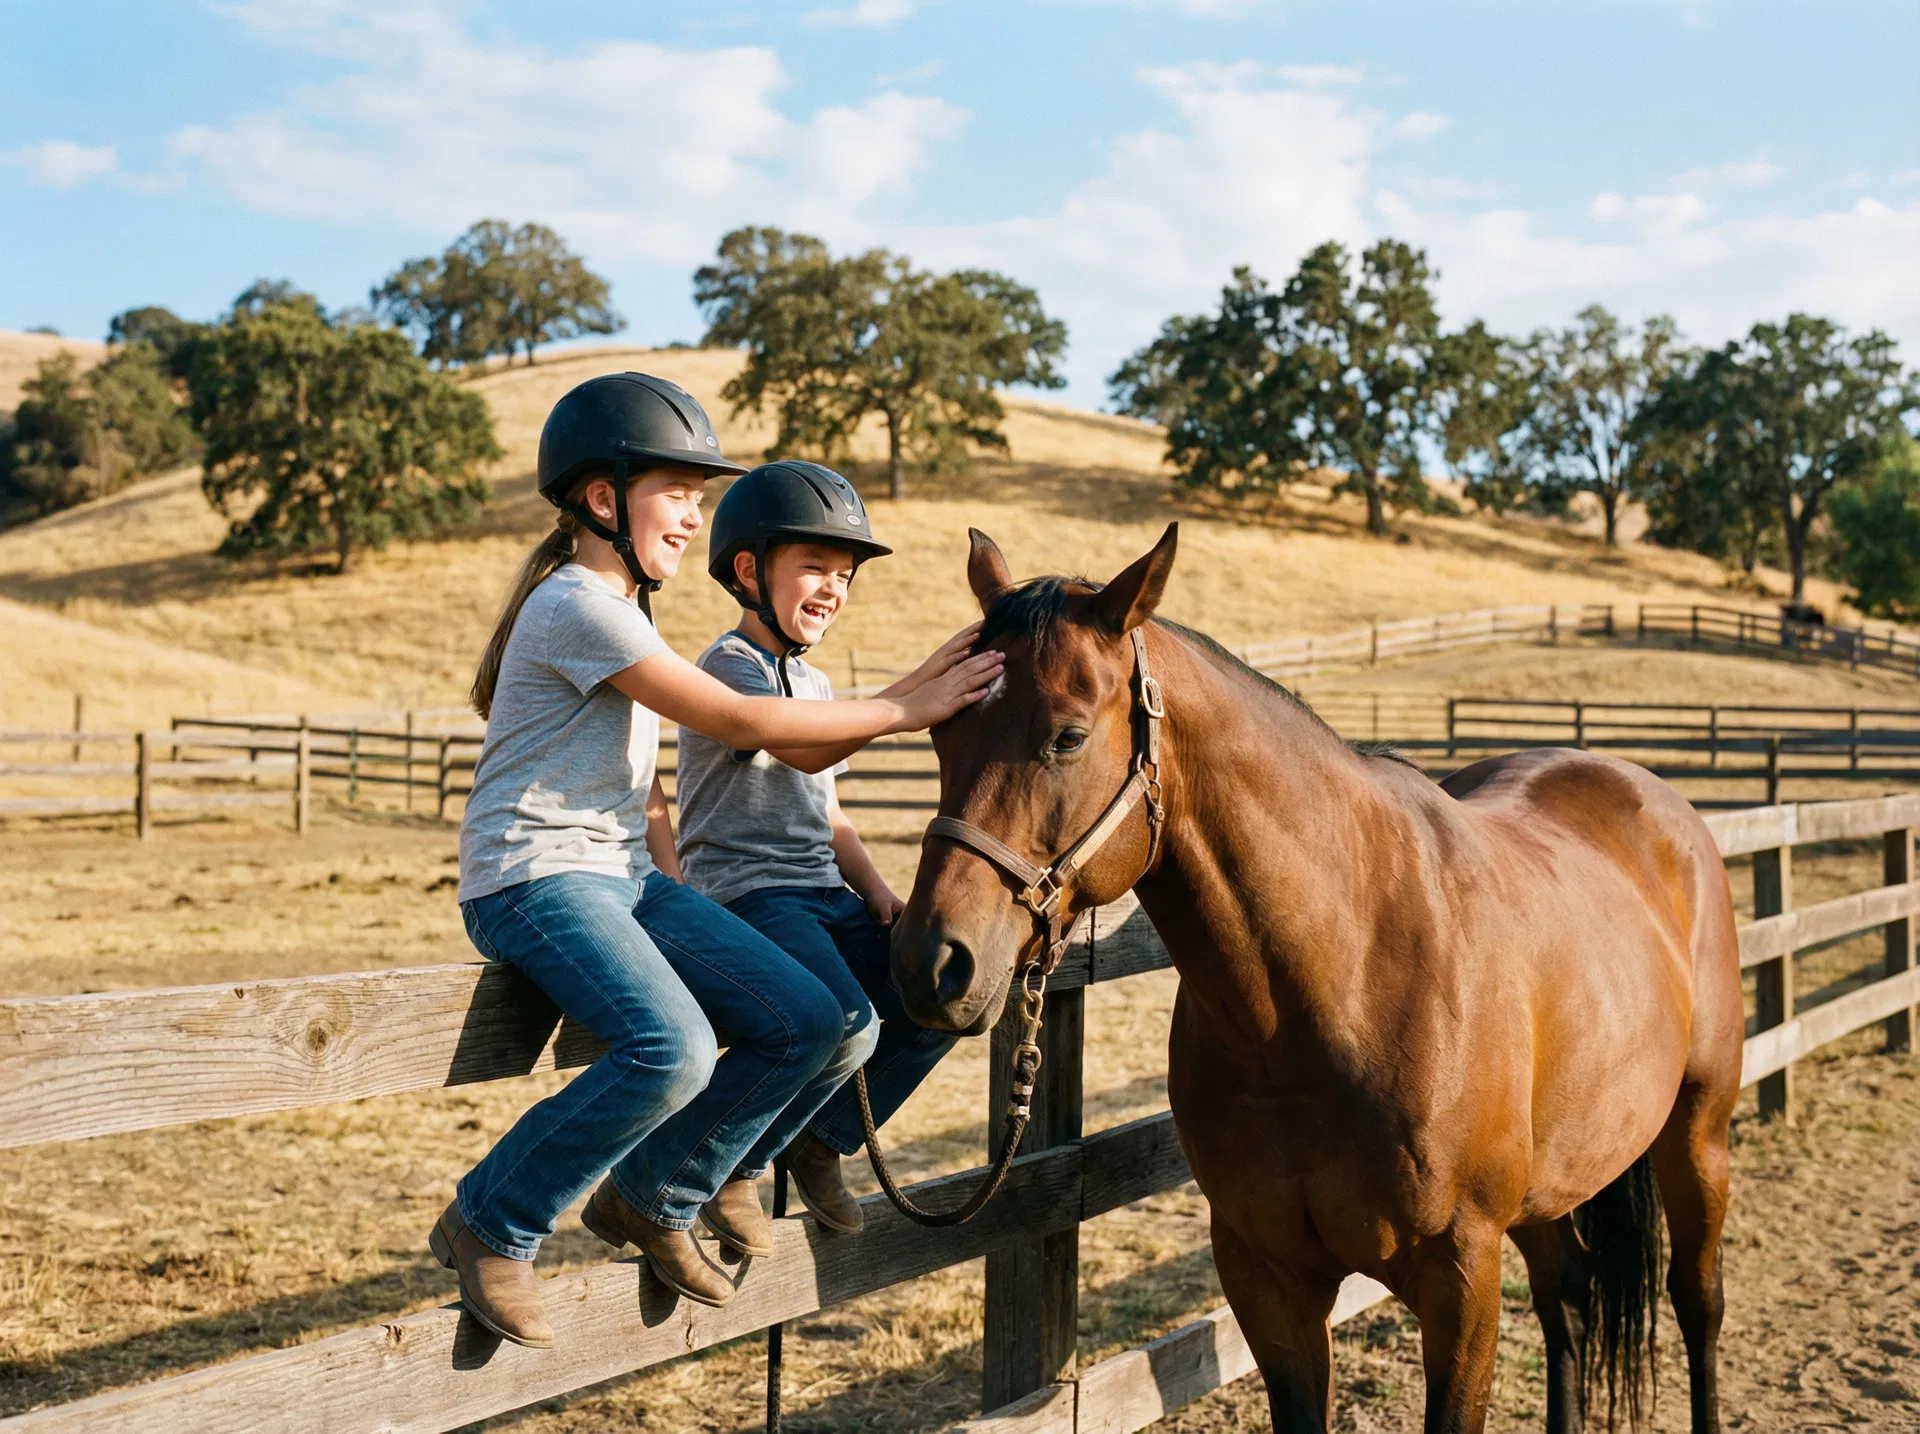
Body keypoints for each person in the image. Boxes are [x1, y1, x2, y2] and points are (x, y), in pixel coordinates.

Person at [437, 373, 1002, 1348]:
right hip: (532, 876)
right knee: (673, 1046)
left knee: (811, 1019)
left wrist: (672, 883)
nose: (694, 517)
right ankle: (492, 1221)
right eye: (678, 494)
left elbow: (643, 782)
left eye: (701, 499)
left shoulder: (622, 612)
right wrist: (908, 703)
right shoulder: (578, 605)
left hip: (621, 875)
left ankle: (655, 1193)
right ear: (604, 499)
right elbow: (743, 721)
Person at [674, 461, 960, 1236]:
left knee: (940, 996)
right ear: (749, 571)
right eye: (814, 567)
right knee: (845, 1020)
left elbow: (826, 810)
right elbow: (800, 752)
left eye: (845, 575)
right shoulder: (729, 667)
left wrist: (876, 890)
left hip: (826, 894)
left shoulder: (820, 686)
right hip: (751, 894)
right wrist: (914, 697)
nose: (833, 587)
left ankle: (822, 1140)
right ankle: (730, 1165)